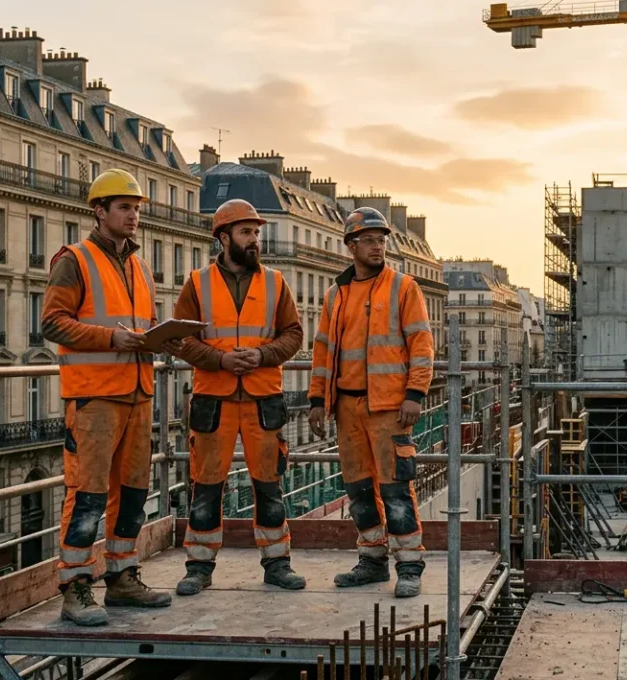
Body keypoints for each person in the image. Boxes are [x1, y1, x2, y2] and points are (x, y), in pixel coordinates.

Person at [43, 168, 179, 626]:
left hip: (138, 394)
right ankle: (76, 587)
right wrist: (110, 339)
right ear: (98, 211)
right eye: (124, 207)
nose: (133, 215)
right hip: (94, 398)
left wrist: (163, 338)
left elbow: (138, 327)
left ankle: (122, 577)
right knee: (87, 495)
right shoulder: (74, 260)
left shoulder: (139, 266)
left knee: (134, 493)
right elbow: (53, 323)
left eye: (137, 208)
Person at [173, 199, 306, 595]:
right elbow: (180, 338)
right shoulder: (197, 283)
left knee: (269, 485)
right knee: (205, 485)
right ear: (224, 236)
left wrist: (263, 354)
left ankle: (277, 563)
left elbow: (294, 334)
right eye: (247, 232)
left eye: (257, 233)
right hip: (213, 399)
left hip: (263, 399)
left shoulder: (275, 282)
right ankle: (199, 565)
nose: (255, 240)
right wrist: (220, 359)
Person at [306, 207, 435, 598]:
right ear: (351, 246)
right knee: (359, 489)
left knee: (396, 487)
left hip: (389, 407)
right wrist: (317, 400)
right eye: (369, 240)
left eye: (381, 240)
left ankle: (409, 564)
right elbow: (323, 351)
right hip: (347, 407)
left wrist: (415, 394)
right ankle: (372, 559)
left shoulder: (403, 287)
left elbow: (421, 344)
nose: (378, 247)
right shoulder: (336, 294)